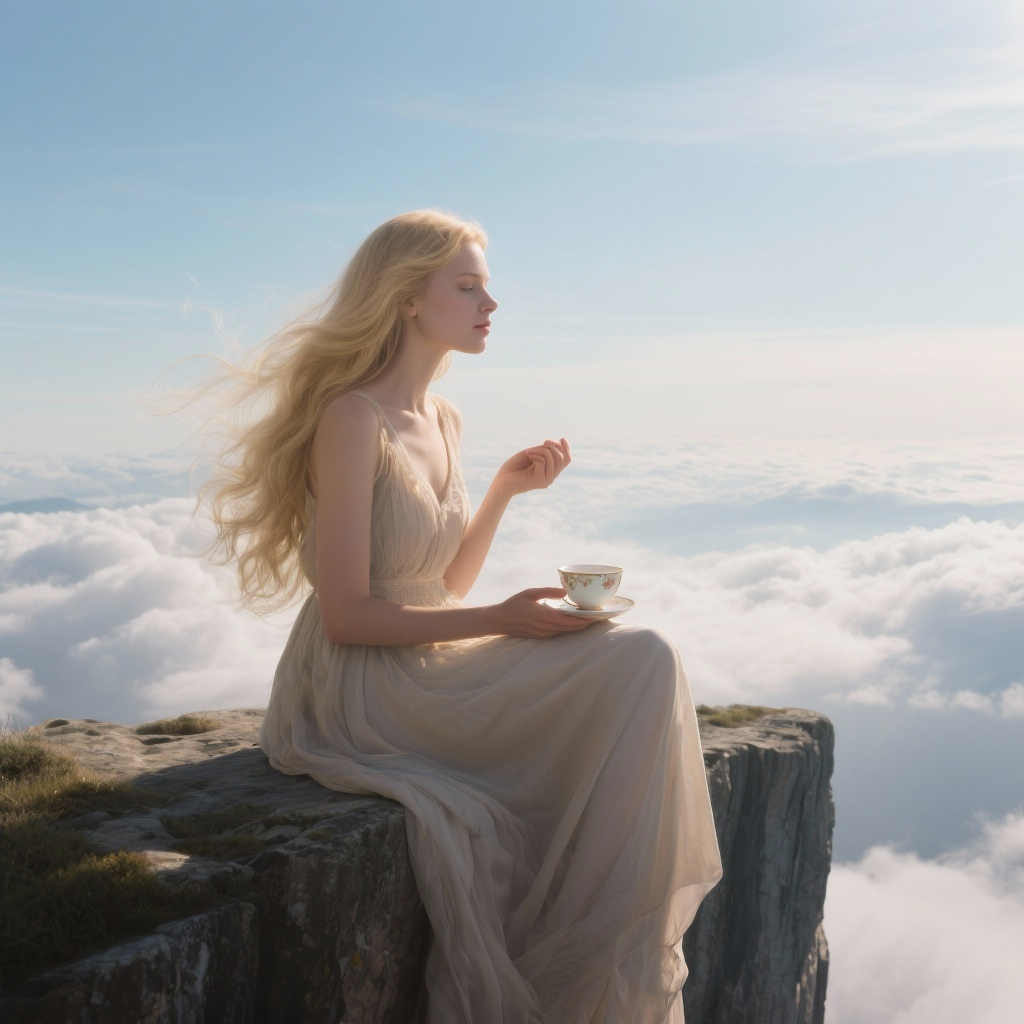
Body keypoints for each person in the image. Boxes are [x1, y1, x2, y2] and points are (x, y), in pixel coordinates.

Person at [206, 210, 722, 1023]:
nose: (490, 304)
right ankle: (577, 954)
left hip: (423, 655)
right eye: (469, 285)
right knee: (635, 663)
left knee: (644, 655)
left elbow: (437, 583)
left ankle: (597, 941)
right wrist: (502, 621)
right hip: (359, 685)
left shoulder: (443, 418)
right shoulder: (351, 418)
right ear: (409, 298)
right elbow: (347, 616)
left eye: (488, 286)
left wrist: (503, 495)